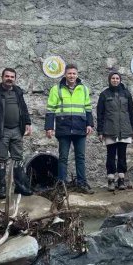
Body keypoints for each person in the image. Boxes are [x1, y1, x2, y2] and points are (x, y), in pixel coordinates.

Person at [0, 68, 33, 199]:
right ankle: (3, 187)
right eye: (7, 76)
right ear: (2, 77)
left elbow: (23, 108)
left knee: (18, 159)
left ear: (15, 78)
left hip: (17, 130)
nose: (9, 79)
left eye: (12, 77)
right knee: (1, 159)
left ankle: (20, 187)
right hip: (1, 131)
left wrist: (28, 123)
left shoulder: (18, 91)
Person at [45, 64, 95, 194]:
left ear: (77, 75)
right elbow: (50, 109)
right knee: (63, 158)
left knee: (80, 157)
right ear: (65, 75)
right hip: (64, 128)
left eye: (74, 73)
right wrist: (49, 127)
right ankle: (61, 185)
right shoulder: (56, 89)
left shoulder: (83, 89)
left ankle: (82, 184)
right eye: (69, 73)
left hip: (80, 128)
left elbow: (88, 108)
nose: (72, 76)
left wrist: (89, 124)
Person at [96, 71, 133, 191]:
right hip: (109, 129)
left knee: (122, 155)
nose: (115, 80)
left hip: (124, 129)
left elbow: (131, 112)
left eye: (117, 78)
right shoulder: (104, 94)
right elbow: (100, 114)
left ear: (120, 80)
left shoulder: (126, 94)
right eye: (113, 78)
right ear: (109, 80)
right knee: (110, 155)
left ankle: (121, 179)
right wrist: (100, 131)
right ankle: (110, 179)